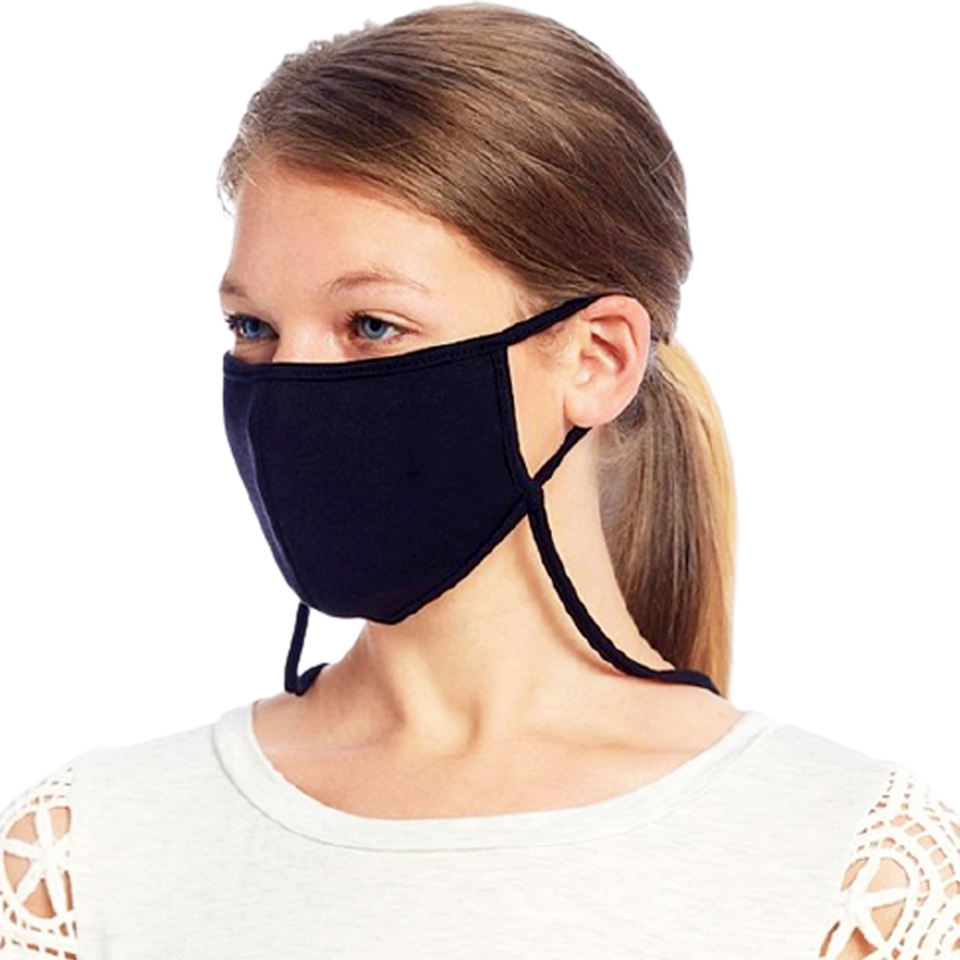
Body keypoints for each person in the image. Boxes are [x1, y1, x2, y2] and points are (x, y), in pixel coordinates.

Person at [2, 4, 956, 958]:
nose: (291, 387)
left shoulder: (850, 870)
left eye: (372, 325)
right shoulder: (85, 858)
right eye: (254, 327)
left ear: (596, 359)